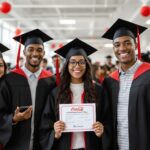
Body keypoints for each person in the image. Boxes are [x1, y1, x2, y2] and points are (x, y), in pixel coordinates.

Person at [39, 38, 112, 150]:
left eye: (81, 62)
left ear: (87, 65)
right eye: (72, 62)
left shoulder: (98, 91)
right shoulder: (56, 93)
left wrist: (103, 131)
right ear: (67, 65)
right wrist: (54, 132)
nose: (77, 66)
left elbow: (108, 119)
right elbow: (45, 123)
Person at [0, 29, 56, 150]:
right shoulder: (9, 80)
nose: (35, 54)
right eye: (30, 49)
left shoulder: (51, 81)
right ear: (24, 52)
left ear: (44, 53)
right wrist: (13, 119)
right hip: (15, 144)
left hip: (43, 144)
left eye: (39, 50)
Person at [101, 18, 150, 150]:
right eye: (117, 45)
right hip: (118, 145)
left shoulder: (148, 74)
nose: (122, 48)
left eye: (127, 43)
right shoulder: (109, 81)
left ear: (135, 44)